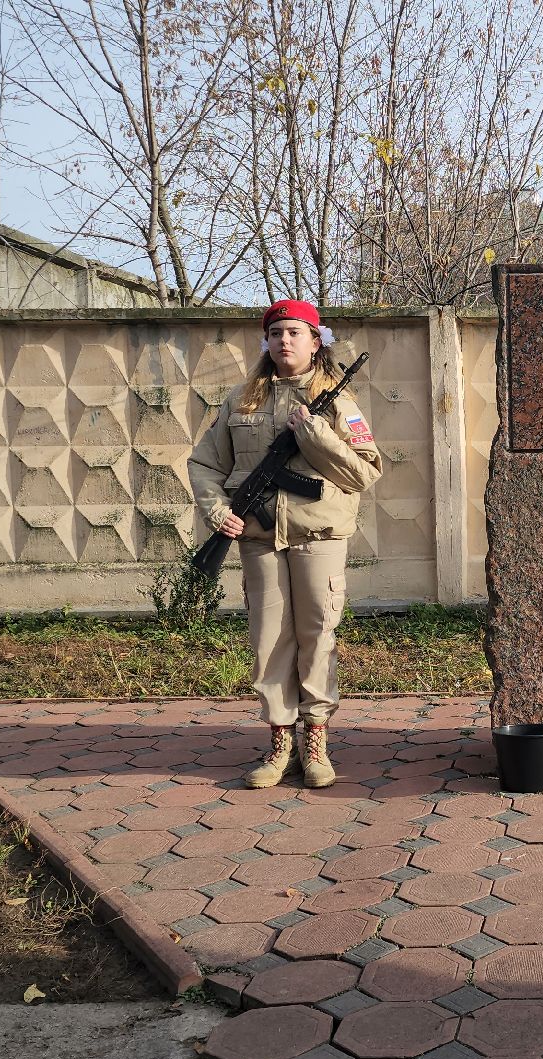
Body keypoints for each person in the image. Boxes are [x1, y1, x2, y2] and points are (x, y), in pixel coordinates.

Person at [188, 299, 382, 789]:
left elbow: (365, 471)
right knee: (270, 640)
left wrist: (316, 435)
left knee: (318, 634)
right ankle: (279, 744)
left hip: (319, 535)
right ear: (267, 343)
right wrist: (217, 510)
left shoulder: (337, 402)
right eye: (276, 334)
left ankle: (314, 741)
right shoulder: (241, 399)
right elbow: (204, 464)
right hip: (258, 537)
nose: (285, 341)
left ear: (316, 342)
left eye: (295, 332)